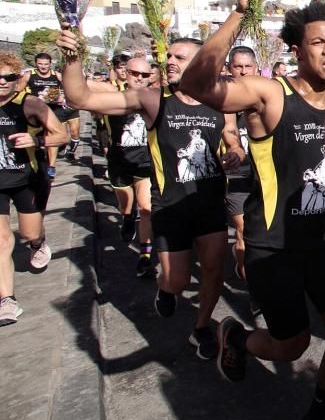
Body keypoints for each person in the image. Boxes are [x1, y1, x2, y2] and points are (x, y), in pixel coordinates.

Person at [183, 0, 325, 420]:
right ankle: (237, 339)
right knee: (292, 345)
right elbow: (200, 88)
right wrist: (240, 12)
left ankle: (317, 418)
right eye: (320, 42)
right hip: (273, 244)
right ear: (296, 49)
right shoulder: (268, 94)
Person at [58, 32, 242, 359]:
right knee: (176, 279)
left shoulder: (222, 99)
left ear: (203, 64)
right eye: (168, 56)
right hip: (171, 206)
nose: (169, 62)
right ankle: (167, 289)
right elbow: (81, 99)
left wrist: (237, 150)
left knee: (214, 268)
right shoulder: (153, 99)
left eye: (180, 58)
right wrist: (72, 57)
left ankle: (201, 328)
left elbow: (230, 133)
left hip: (210, 203)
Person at [0, 52, 68, 327]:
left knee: (28, 232)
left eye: (9, 77)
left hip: (26, 179)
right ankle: (7, 300)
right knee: (3, 241)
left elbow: (61, 134)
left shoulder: (30, 105)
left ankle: (38, 243)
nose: (2, 82)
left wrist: (36, 140)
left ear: (18, 79)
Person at [102, 57, 156, 278]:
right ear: (125, 73)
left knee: (146, 208)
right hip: (120, 161)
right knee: (127, 208)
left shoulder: (155, 96)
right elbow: (82, 94)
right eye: (135, 74)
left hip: (145, 161)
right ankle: (126, 218)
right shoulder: (112, 96)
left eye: (145, 75)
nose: (140, 79)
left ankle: (145, 255)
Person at [223, 46, 257, 287]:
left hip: (267, 180)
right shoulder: (225, 101)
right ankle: (254, 289)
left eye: (248, 67)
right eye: (238, 67)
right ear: (229, 69)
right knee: (243, 231)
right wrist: (235, 147)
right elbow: (229, 128)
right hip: (238, 178)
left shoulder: (270, 97)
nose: (243, 72)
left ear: (256, 68)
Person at [18, 52, 80, 176]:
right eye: (40, 64)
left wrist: (62, 96)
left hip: (54, 109)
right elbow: (18, 91)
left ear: (50, 64)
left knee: (53, 135)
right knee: (34, 138)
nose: (43, 67)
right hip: (35, 111)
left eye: (46, 64)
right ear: (36, 63)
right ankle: (31, 162)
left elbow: (69, 88)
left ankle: (51, 166)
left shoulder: (56, 75)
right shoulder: (29, 76)